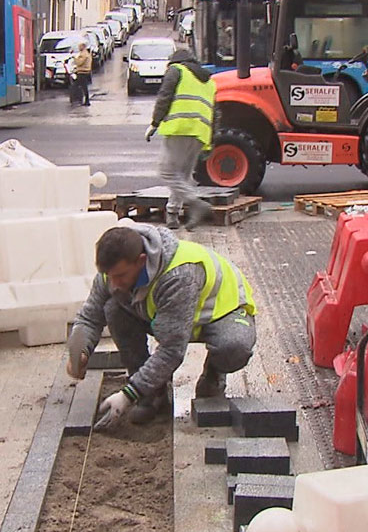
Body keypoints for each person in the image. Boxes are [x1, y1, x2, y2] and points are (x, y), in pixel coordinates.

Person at [66, 224, 257, 430]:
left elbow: (172, 350)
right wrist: (80, 350)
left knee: (234, 346)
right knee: (113, 309)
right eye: (109, 276)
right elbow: (89, 317)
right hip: (170, 317)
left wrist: (128, 394)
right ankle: (153, 395)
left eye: (120, 276)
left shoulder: (179, 275)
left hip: (220, 314)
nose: (113, 282)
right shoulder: (114, 270)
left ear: (141, 261)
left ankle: (213, 375)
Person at [145, 48, 214, 230]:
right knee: (182, 175)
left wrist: (154, 123)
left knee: (166, 171)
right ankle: (173, 215)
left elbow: (164, 96)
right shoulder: (209, 81)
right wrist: (210, 141)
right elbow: (215, 112)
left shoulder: (177, 70)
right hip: (201, 132)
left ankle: (196, 203)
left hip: (180, 128)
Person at [70, 41, 93, 107]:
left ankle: (79, 100)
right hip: (85, 72)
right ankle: (85, 100)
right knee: (83, 86)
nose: (78, 47)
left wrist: (74, 58)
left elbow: (79, 62)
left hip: (82, 72)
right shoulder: (86, 53)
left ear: (83, 46)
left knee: (77, 86)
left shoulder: (83, 54)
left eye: (79, 46)